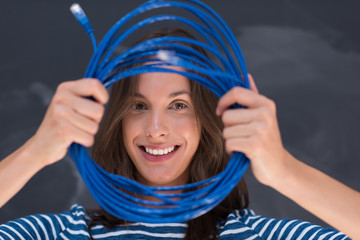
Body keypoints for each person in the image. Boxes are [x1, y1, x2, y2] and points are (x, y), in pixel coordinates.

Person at [0, 28, 357, 240]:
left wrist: (283, 170)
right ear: (118, 121)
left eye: (179, 105)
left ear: (208, 119)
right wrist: (35, 152)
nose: (155, 129)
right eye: (138, 106)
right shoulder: (70, 233)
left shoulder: (252, 235)